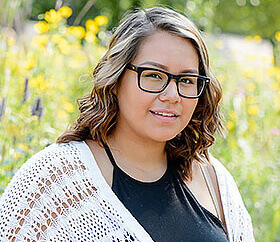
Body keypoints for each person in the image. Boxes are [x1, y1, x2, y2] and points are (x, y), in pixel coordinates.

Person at [0, 6, 254, 242]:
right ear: (117, 78)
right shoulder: (55, 179)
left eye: (187, 80)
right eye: (154, 75)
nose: (172, 95)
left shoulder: (214, 179)